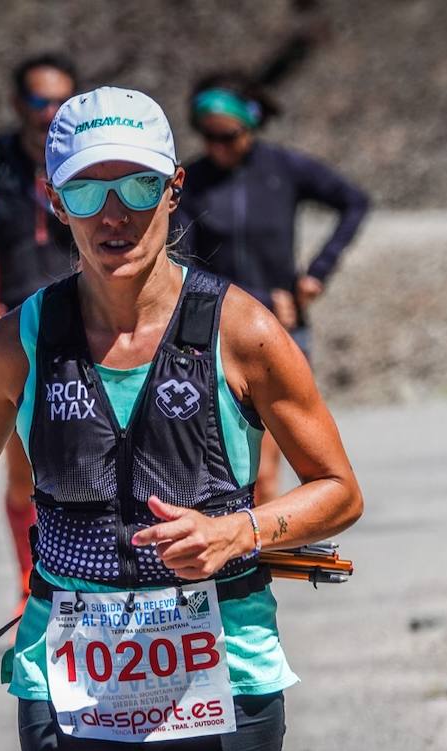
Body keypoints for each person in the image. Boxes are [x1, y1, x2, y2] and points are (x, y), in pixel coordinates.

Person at [0, 86, 363, 751]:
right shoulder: (13, 343)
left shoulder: (243, 331)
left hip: (221, 665)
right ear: (56, 201)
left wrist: (239, 530)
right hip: (74, 669)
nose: (114, 213)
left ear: (174, 188)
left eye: (136, 186)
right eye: (89, 190)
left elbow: (339, 490)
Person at [175, 71, 370, 505]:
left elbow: (355, 202)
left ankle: (256, 559)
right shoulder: (191, 182)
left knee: (264, 473)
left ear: (253, 124)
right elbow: (180, 258)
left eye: (228, 135)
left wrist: (317, 273)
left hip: (282, 327)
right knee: (214, 466)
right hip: (215, 333)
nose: (216, 146)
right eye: (207, 135)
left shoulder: (284, 169)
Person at [0, 52, 78, 619]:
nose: (48, 112)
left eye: (59, 101)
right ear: (17, 102)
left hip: (82, 316)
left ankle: (82, 572)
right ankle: (33, 584)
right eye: (37, 100)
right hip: (18, 326)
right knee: (23, 462)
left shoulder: (80, 154)